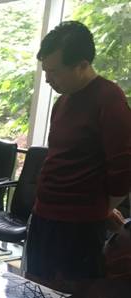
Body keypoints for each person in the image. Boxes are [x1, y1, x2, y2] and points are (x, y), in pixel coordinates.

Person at [26, 21, 131, 281]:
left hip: (78, 225)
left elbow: (123, 168)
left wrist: (101, 209)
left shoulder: (109, 99)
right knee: (34, 286)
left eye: (55, 72)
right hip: (44, 214)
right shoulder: (62, 101)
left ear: (82, 65)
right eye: (45, 71)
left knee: (70, 297)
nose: (48, 79)